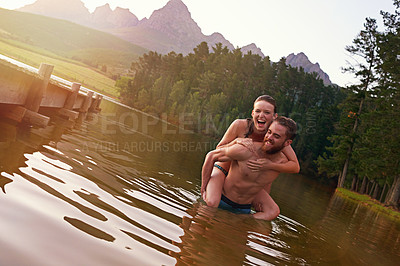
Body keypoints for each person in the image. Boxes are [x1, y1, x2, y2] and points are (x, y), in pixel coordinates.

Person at [201, 95, 300, 208]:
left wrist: (269, 165)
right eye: (258, 111)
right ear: (252, 113)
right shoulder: (240, 125)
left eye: (267, 112)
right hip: (224, 169)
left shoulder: (275, 136)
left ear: (274, 116)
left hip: (250, 175)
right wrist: (236, 142)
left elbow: (295, 166)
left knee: (267, 207)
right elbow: (218, 150)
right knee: (212, 203)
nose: (261, 115)